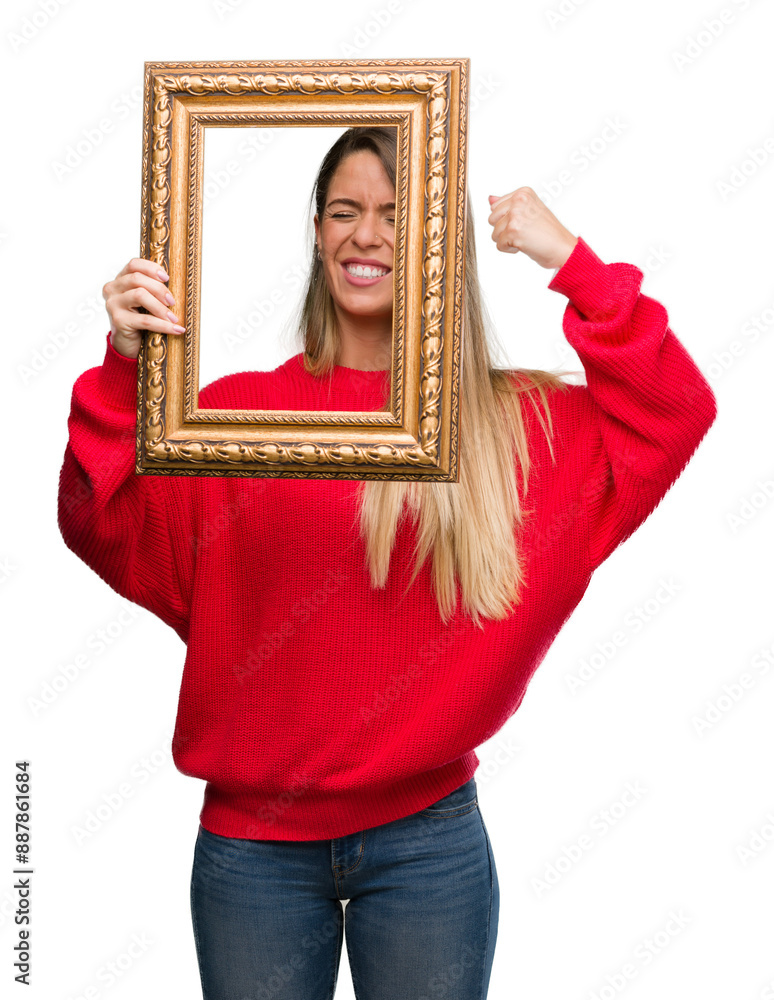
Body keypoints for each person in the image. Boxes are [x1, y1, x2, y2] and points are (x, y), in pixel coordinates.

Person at [57, 126, 717, 1000]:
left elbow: (674, 413)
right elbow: (101, 524)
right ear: (319, 234)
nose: (364, 234)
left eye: (393, 215)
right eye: (344, 211)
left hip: (429, 848)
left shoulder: (510, 430)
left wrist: (573, 262)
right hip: (253, 854)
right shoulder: (235, 418)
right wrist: (123, 367)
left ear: (436, 243)